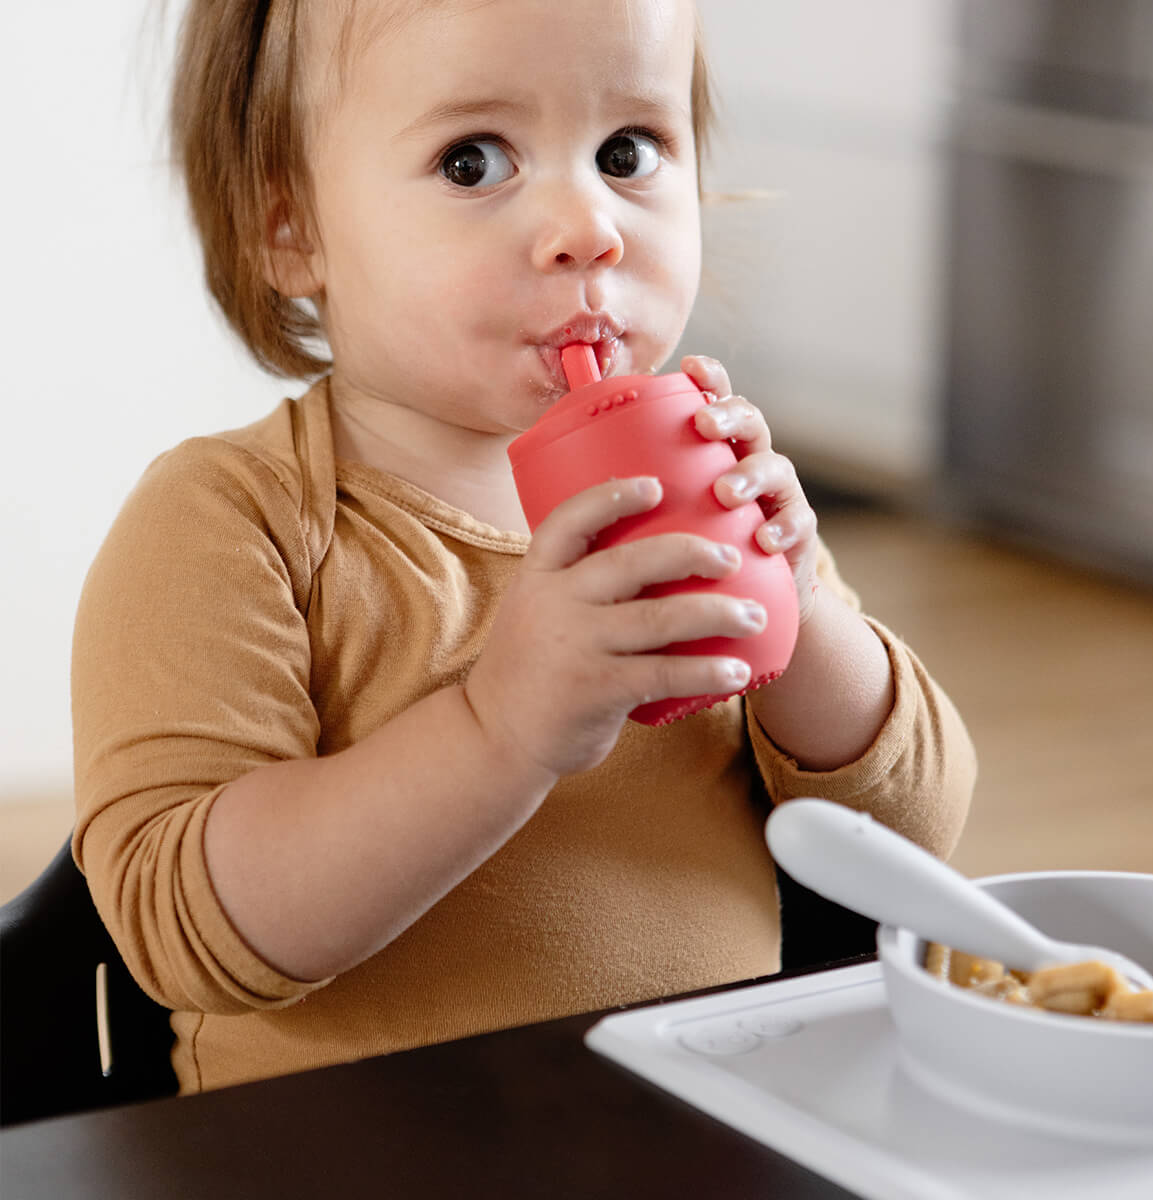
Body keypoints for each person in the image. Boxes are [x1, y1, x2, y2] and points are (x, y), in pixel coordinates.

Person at [72, 0, 975, 1096]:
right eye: (472, 161)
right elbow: (181, 933)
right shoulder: (233, 525)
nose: (587, 226)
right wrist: (504, 729)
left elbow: (913, 839)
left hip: (709, 1138)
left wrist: (802, 616)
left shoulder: (702, 482)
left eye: (628, 150)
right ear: (291, 225)